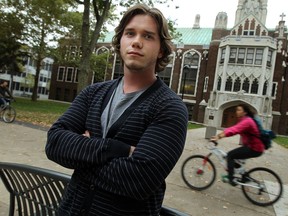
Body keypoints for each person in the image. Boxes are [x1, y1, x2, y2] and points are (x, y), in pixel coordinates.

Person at [45, 4, 188, 216]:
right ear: (121, 41)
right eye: (130, 33)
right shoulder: (93, 93)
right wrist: (115, 149)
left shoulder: (169, 107)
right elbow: (55, 143)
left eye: (148, 36)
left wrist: (82, 150)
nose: (136, 42)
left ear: (160, 50)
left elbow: (139, 181)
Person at [211, 104, 264, 186]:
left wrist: (219, 136)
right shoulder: (244, 120)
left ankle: (230, 178)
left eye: (239, 110)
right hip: (252, 146)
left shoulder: (247, 121)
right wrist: (221, 134)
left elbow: (235, 130)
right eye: (236, 110)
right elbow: (234, 128)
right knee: (236, 159)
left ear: (245, 112)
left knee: (230, 155)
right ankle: (244, 176)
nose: (237, 112)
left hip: (255, 148)